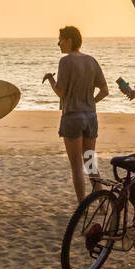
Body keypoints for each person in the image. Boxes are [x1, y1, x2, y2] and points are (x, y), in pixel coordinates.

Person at [42, 26, 108, 202]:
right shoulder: (91, 61)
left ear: (70, 40)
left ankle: (81, 206)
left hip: (72, 117)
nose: (58, 44)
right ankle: (101, 203)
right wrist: (91, 102)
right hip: (91, 117)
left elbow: (61, 92)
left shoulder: (66, 61)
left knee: (77, 166)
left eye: (61, 40)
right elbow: (104, 90)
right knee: (90, 162)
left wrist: (50, 78)